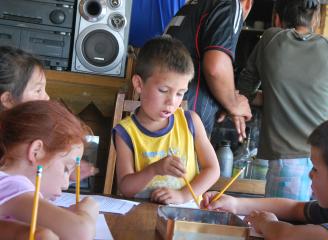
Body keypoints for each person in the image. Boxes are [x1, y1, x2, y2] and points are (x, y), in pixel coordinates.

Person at [237, 0, 328, 200]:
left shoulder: (270, 39)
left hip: (287, 163)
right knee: (320, 226)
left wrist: (277, 97)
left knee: (281, 226)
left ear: (277, 17)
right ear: (317, 18)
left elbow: (245, 90)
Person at [202, 113, 328, 240]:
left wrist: (267, 224)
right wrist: (235, 204)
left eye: (316, 169)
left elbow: (286, 236)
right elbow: (294, 208)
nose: (310, 174)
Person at [113, 36, 220, 204]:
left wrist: (183, 196)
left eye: (180, 93)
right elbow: (125, 187)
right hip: (142, 215)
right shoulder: (126, 132)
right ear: (139, 84)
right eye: (163, 90)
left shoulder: (191, 122)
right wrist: (154, 169)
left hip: (185, 214)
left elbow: (213, 169)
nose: (172, 101)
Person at [0, 100, 99, 239]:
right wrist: (85, 212)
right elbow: (80, 232)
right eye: (66, 168)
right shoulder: (12, 186)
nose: (65, 184)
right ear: (36, 152)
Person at [0, 46, 97, 177]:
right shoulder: (10, 138)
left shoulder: (29, 129)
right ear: (8, 99)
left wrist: (66, 167)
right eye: (38, 90)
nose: (47, 97)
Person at [164, 0, 253, 140]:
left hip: (166, 111)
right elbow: (216, 67)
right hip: (185, 119)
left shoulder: (194, 5)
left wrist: (226, 100)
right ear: (247, 4)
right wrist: (234, 103)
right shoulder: (231, 4)